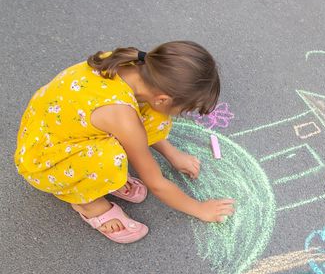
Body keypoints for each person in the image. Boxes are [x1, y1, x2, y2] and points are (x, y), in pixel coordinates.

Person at [14, 41, 235, 244]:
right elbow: (155, 182)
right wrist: (200, 209)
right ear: (163, 99)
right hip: (44, 160)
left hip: (53, 129)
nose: (181, 115)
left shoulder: (133, 63)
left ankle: (96, 179)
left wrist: (173, 154)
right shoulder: (122, 116)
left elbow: (142, 124)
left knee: (156, 116)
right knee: (111, 159)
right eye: (183, 110)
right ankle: (88, 204)